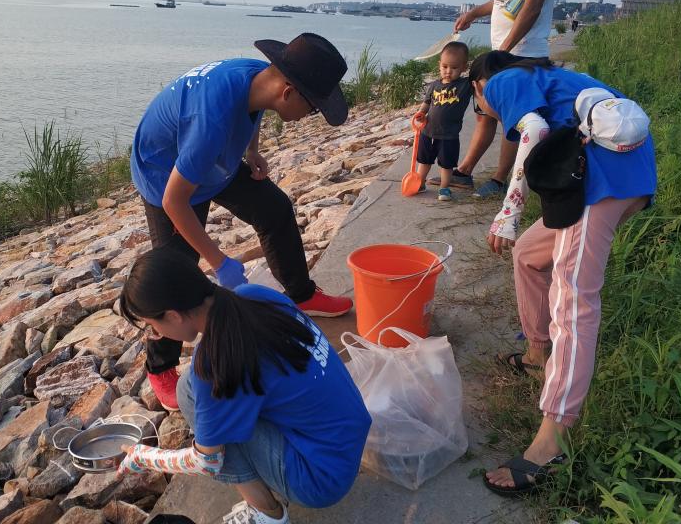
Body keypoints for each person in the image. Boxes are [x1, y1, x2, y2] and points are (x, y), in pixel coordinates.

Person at [130, 33, 355, 411]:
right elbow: (174, 200)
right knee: (174, 269)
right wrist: (220, 262)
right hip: (165, 171)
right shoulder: (212, 119)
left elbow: (255, 112)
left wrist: (251, 151)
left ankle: (301, 293)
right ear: (288, 92)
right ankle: (161, 366)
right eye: (313, 108)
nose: (310, 115)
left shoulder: (258, 77)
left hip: (212, 159)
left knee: (274, 208)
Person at [467, 51, 656, 496]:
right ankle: (538, 356)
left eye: (479, 106)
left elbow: (533, 130)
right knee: (530, 255)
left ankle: (551, 443)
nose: (485, 111)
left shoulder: (501, 81)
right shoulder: (557, 77)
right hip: (630, 179)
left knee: (573, 302)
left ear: (479, 86)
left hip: (600, 186)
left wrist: (508, 214)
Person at [116, 248, 372, 524]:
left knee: (203, 408)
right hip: (348, 439)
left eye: (152, 326)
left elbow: (207, 461)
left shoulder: (214, 363)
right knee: (189, 388)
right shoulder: (254, 295)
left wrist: (145, 457)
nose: (156, 334)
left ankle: (268, 515)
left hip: (320, 479)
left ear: (174, 316)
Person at [440, 0, 559, 198]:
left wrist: (503, 52)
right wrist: (473, 13)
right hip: (505, 53)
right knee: (485, 113)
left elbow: (533, 5)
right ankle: (464, 172)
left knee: (512, 119)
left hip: (521, 54)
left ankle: (499, 179)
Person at [412, 41, 474, 201]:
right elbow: (427, 103)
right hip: (427, 131)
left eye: (454, 68)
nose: (448, 71)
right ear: (439, 65)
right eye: (445, 66)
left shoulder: (464, 86)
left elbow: (479, 75)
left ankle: (444, 188)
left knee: (447, 164)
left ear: (464, 67)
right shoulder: (434, 85)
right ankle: (420, 183)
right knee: (424, 160)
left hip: (449, 134)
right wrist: (421, 113)